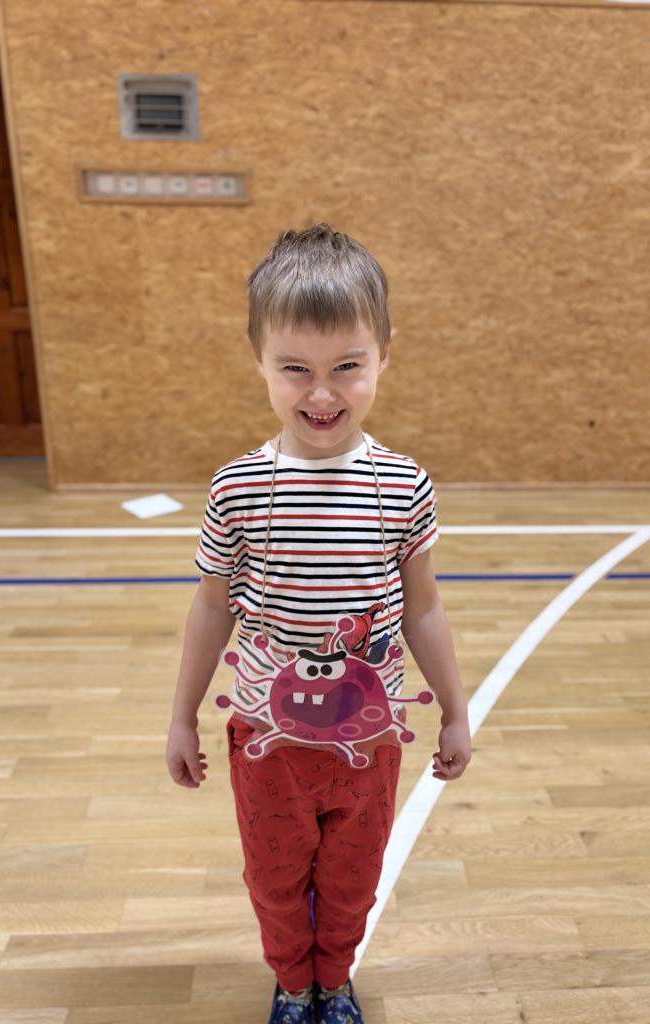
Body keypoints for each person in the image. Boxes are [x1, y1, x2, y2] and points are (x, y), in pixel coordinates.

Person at [166, 224, 472, 1024]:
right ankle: (291, 981)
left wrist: (456, 709)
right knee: (274, 881)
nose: (322, 393)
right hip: (268, 746)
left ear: (384, 356)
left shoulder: (404, 485)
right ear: (259, 359)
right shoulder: (237, 488)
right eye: (295, 368)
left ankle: (332, 980)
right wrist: (181, 716)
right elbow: (211, 607)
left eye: (347, 367)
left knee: (351, 879)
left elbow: (424, 608)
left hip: (370, 743)